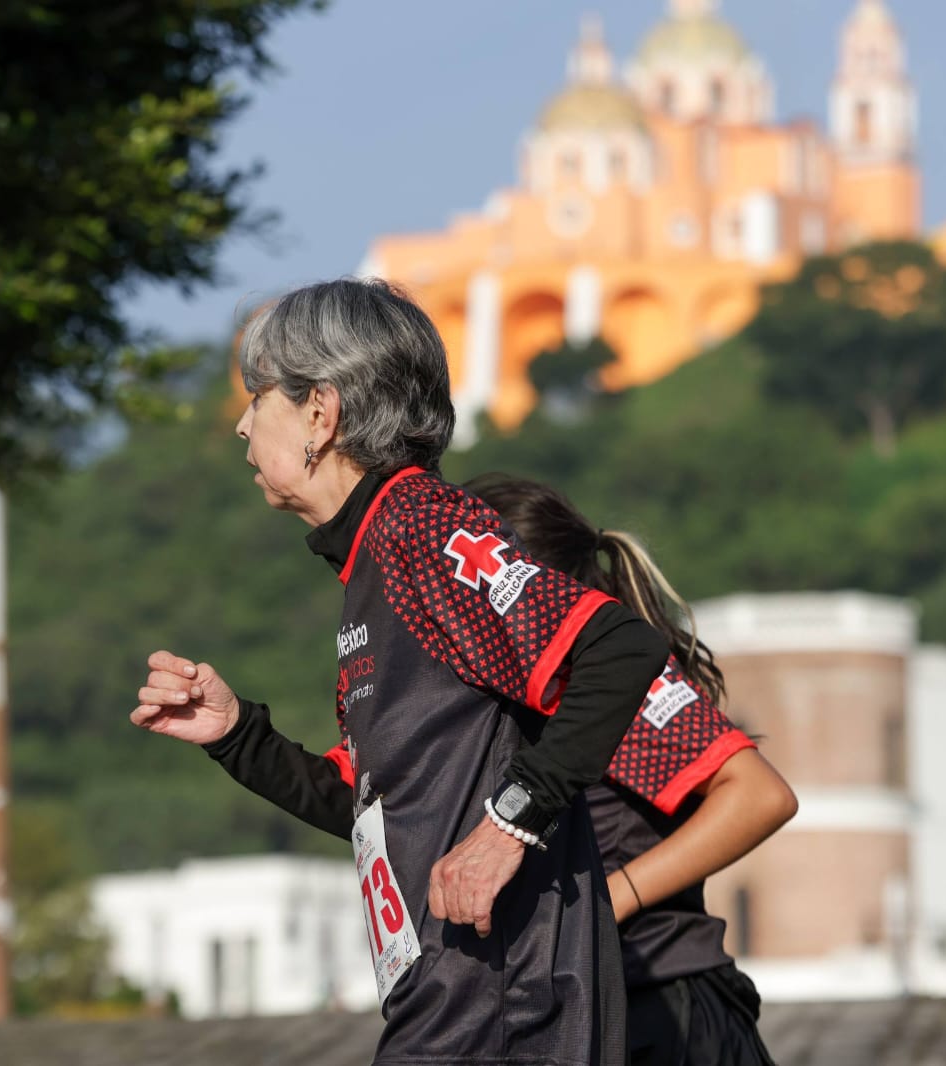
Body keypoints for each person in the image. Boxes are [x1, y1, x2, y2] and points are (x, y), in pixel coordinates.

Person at [128, 278, 669, 1065]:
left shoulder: (421, 526)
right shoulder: (373, 558)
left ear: (321, 412)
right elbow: (378, 811)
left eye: (258, 397)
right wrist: (237, 736)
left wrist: (510, 826)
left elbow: (620, 650)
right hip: (448, 1003)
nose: (242, 423)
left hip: (506, 1006)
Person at [465, 473, 799, 1066]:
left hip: (669, 1012)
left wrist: (614, 897)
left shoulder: (597, 683)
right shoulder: (514, 700)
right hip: (592, 1013)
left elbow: (757, 794)